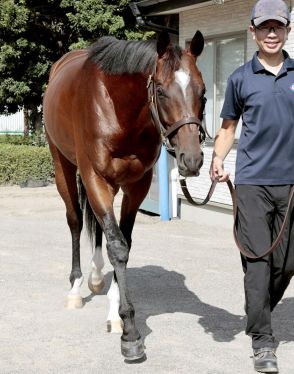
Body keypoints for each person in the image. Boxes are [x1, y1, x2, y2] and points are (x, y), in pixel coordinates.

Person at [210, 0, 294, 372]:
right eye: (265, 27)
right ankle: (263, 341)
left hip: (291, 184)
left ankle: (255, 309)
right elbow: (228, 128)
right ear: (253, 31)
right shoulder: (240, 78)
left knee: (288, 262)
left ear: (288, 30)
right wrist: (216, 159)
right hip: (252, 183)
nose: (272, 33)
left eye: (279, 27)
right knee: (258, 264)